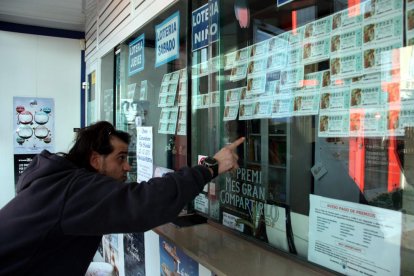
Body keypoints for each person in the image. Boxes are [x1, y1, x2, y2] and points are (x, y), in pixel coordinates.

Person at [0, 121, 244, 275]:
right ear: (96, 160)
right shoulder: (71, 190)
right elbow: (143, 203)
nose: (127, 168)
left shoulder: (59, 185)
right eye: (121, 158)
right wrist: (210, 167)